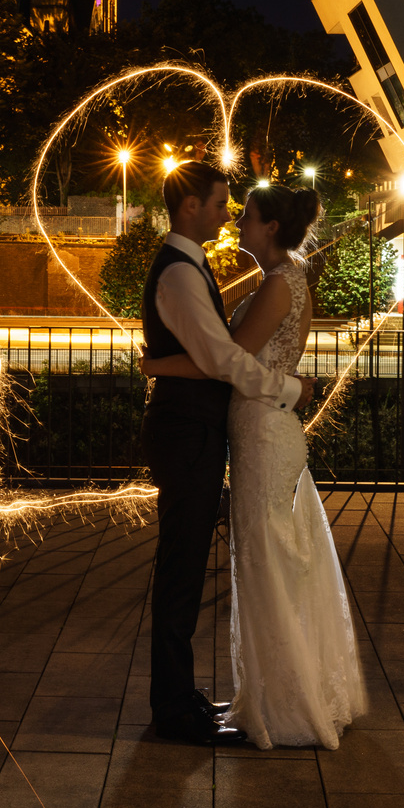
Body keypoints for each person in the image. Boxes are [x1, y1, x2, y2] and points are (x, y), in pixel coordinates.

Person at [143, 182, 366, 750]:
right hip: (254, 431)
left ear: (270, 227)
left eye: (246, 214)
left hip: (263, 432)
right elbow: (225, 357)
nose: (236, 219)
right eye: (227, 207)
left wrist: (158, 364)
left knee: (267, 561)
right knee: (267, 559)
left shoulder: (277, 284)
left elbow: (226, 360)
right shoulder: (276, 279)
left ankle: (281, 699)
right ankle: (270, 693)